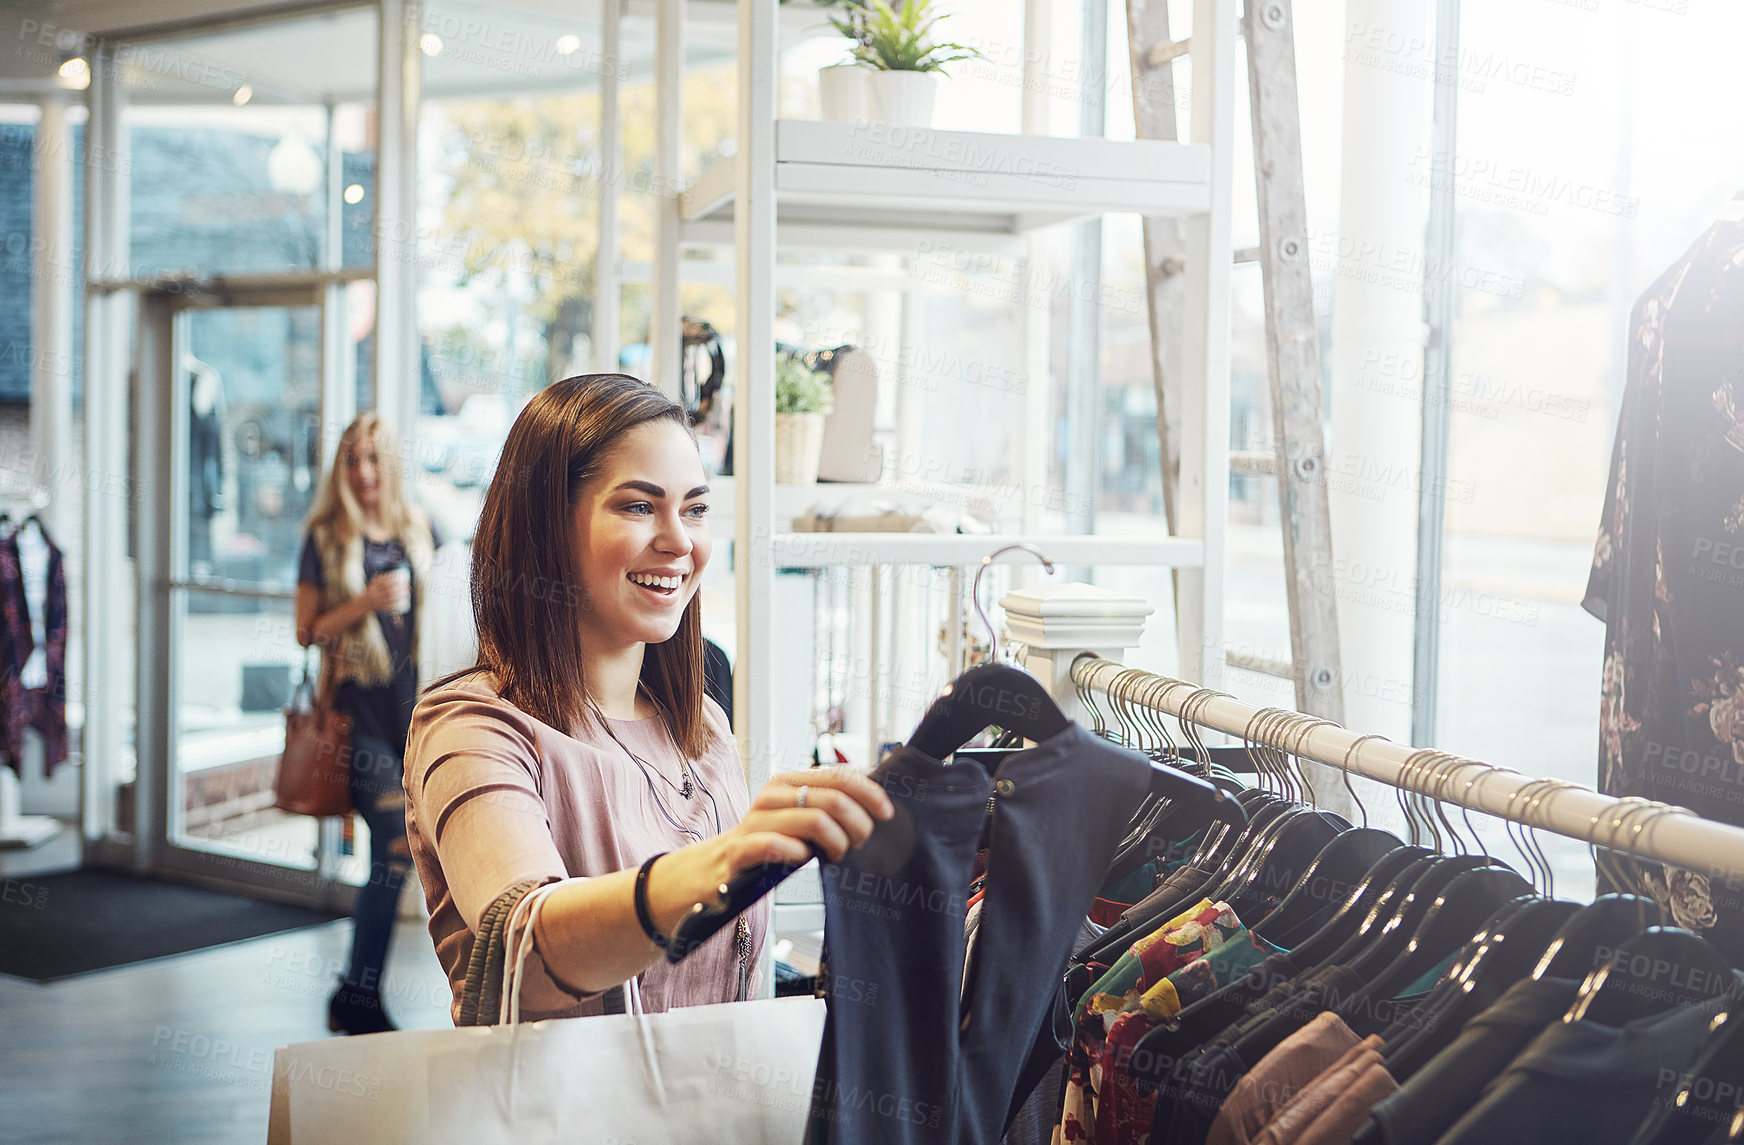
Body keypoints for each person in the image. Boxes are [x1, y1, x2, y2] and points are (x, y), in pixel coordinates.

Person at [402, 374, 890, 1021]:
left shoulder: (702, 727)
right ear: (546, 526)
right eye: (639, 506)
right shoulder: (474, 728)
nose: (680, 541)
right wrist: (723, 860)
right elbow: (520, 951)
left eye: (694, 509)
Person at [294, 412, 440, 1034]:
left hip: (416, 710)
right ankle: (359, 994)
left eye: (374, 459)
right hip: (358, 719)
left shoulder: (417, 528)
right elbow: (306, 630)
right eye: (352, 460)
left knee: (399, 853)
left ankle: (355, 992)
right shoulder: (325, 535)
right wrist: (364, 604)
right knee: (393, 841)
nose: (363, 472)